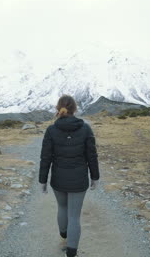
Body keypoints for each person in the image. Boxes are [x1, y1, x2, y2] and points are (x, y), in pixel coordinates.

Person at [39, 94, 100, 257]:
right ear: (75, 109)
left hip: (58, 178)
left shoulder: (51, 130)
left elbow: (46, 157)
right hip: (79, 180)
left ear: (58, 109)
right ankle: (72, 252)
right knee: (74, 216)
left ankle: (64, 234)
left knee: (62, 207)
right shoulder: (85, 128)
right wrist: (95, 177)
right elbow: (91, 156)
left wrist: (42, 180)